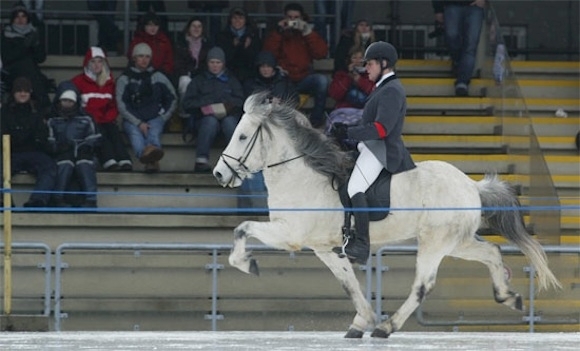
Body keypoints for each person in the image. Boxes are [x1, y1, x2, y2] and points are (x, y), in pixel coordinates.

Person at [330, 42, 416, 264]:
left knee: (355, 187)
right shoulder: (383, 88)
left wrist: (349, 132)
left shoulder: (391, 91)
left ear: (384, 64)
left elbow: (381, 129)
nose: (366, 68)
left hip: (382, 150)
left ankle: (362, 245)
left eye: (370, 63)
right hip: (370, 146)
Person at [240, 50, 299, 213]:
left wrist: (280, 106)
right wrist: (266, 102)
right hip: (257, 131)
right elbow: (245, 104)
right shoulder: (251, 83)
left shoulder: (284, 82)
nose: (265, 70)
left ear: (274, 68)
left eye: (268, 66)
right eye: (263, 66)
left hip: (280, 129)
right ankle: (252, 211)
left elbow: (295, 101)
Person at [263, 2, 329, 128]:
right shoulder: (278, 33)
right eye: (290, 18)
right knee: (277, 85)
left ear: (301, 18)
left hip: (304, 78)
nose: (293, 21)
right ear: (285, 18)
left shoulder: (307, 33)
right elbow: (268, 54)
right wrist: (279, 31)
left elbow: (321, 53)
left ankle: (315, 122)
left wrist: (308, 32)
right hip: (284, 79)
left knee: (322, 81)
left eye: (296, 18)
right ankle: (282, 125)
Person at [182, 47, 245, 173]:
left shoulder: (231, 81)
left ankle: (236, 160)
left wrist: (228, 105)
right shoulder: (198, 81)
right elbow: (187, 103)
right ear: (207, 63)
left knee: (230, 123)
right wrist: (205, 106)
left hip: (228, 116)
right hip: (204, 119)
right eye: (212, 62)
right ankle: (201, 160)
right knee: (210, 122)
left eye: (218, 63)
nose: (215, 66)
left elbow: (241, 101)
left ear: (223, 64)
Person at [116, 43, 177, 173]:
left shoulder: (159, 76)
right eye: (141, 56)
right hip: (132, 120)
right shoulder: (124, 79)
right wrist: (138, 123)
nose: (144, 60)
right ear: (134, 58)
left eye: (147, 57)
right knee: (135, 134)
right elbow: (121, 104)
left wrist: (163, 117)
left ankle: (149, 160)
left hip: (155, 117)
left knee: (153, 132)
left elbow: (172, 98)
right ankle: (152, 160)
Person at [72, 46, 133, 172]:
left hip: (106, 119)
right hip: (89, 120)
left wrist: (108, 117)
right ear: (87, 63)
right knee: (100, 133)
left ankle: (124, 159)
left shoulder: (109, 82)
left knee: (114, 132)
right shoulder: (78, 82)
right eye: (93, 61)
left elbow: (113, 104)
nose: (96, 65)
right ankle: (108, 160)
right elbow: (75, 104)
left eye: (100, 61)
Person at [0, 76, 56, 208]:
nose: (23, 93)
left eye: (26, 90)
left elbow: (42, 136)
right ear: (13, 93)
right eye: (19, 90)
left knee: (49, 166)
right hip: (10, 153)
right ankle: (5, 200)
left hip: (34, 153)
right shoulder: (4, 113)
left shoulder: (37, 112)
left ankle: (37, 201)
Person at [47, 82, 101, 208]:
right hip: (61, 155)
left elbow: (95, 137)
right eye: (64, 100)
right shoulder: (52, 120)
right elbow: (49, 141)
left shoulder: (86, 118)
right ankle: (57, 198)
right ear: (58, 101)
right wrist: (59, 148)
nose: (67, 103)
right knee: (65, 163)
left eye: (70, 101)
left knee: (84, 163)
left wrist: (86, 147)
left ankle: (91, 200)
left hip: (84, 154)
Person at [1, 3, 50, 112]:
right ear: (12, 19)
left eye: (23, 16)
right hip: (11, 72)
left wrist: (36, 44)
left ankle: (43, 108)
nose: (20, 19)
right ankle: (45, 104)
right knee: (26, 64)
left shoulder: (32, 33)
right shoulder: (5, 35)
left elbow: (41, 58)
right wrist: (24, 46)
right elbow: (7, 57)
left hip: (31, 73)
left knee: (30, 68)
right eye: (17, 16)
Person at [432, 0, 486, 96]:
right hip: (451, 4)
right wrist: (438, 9)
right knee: (452, 36)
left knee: (471, 45)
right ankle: (459, 63)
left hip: (474, 7)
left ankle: (462, 82)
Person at [326, 46, 375, 135]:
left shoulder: (371, 76)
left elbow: (373, 93)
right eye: (354, 58)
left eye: (360, 58)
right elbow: (335, 94)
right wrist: (348, 77)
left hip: (363, 111)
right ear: (349, 60)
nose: (357, 61)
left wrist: (359, 80)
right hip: (344, 110)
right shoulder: (341, 75)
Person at [216, 7, 262, 84]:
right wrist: (233, 46)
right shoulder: (222, 36)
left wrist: (246, 48)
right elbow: (223, 58)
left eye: (241, 18)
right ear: (230, 20)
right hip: (228, 73)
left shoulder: (253, 36)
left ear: (245, 20)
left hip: (249, 74)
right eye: (235, 18)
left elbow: (255, 58)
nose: (237, 21)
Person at [127, 11, 174, 77]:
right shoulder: (137, 41)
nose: (153, 28)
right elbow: (132, 59)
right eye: (149, 25)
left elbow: (169, 62)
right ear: (144, 26)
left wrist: (161, 72)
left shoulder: (164, 41)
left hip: (161, 75)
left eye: (156, 25)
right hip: (140, 74)